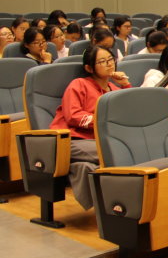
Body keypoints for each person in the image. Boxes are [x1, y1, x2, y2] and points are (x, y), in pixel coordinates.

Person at [49, 45, 131, 209]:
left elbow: (129, 112)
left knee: (110, 158)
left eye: (110, 59)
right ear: (89, 68)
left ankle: (116, 205)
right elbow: (73, 116)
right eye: (102, 61)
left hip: (99, 140)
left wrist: (126, 85)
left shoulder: (115, 89)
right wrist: (103, 122)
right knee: (117, 153)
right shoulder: (79, 84)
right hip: (73, 139)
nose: (109, 64)